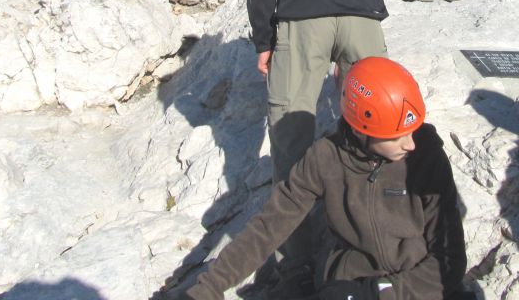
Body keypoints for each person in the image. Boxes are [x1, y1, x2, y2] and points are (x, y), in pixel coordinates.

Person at [180, 56, 470, 300]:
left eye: (412, 130)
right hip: (350, 282)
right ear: (362, 130)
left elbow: (450, 259)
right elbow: (269, 226)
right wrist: (207, 289)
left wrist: (383, 292)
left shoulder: (426, 157)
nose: (411, 143)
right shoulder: (325, 158)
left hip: (417, 285)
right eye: (396, 136)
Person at [247, 0, 389, 296]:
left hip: (303, 18)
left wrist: (264, 37)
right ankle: (374, 257)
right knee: (378, 137)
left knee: (291, 143)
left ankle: (296, 271)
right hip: (362, 18)